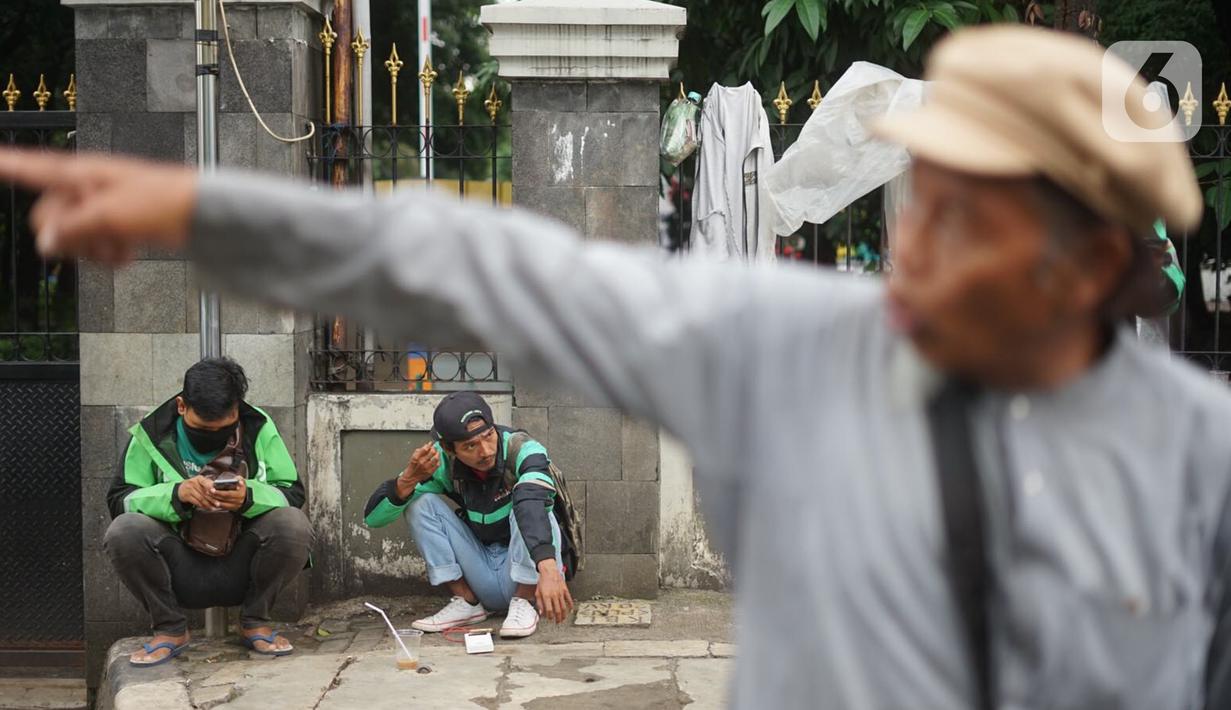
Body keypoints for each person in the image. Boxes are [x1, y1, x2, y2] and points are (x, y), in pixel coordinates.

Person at [5, 24, 1230, 710]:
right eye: (923, 202)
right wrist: (207, 214)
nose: (914, 246)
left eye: (971, 220)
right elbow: (496, 264)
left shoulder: (1197, 458)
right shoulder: (788, 351)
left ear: (1087, 263)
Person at [104, 357, 311, 665]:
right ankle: (170, 628)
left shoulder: (259, 426)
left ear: (237, 410)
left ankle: (256, 620)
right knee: (124, 530)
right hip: (179, 563)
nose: (212, 435)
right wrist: (176, 496)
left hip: (244, 559)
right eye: (201, 428)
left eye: (223, 428)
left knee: (293, 524)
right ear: (181, 406)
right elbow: (121, 500)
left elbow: (292, 493)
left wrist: (248, 497)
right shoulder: (152, 433)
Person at [362, 392, 572, 638]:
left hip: (532, 578)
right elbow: (373, 519)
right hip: (482, 571)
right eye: (470, 446)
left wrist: (549, 571)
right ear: (450, 450)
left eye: (488, 436)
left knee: (529, 501)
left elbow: (533, 503)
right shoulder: (441, 463)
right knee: (420, 503)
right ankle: (467, 603)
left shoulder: (522, 448)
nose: (484, 451)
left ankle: (524, 602)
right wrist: (409, 478)